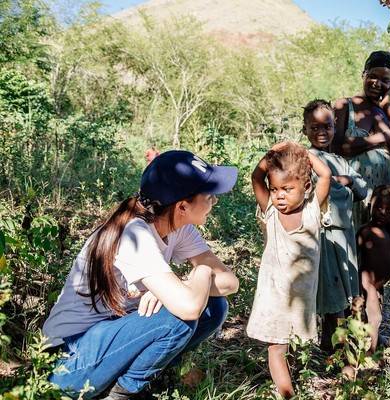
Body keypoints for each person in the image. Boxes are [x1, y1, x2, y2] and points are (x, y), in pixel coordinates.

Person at [43, 150, 240, 399]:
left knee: (215, 306)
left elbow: (229, 282)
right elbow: (188, 307)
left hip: (109, 342)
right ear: (182, 206)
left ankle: (141, 379)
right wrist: (200, 271)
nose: (215, 201)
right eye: (209, 195)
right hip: (65, 362)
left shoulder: (178, 226)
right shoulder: (134, 233)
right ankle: (122, 394)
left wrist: (182, 283)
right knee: (178, 317)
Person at [246, 141, 331, 398]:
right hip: (273, 298)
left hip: (301, 300)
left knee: (293, 344)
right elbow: (256, 176)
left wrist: (303, 153)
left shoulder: (313, 211)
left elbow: (325, 174)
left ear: (306, 188)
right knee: (277, 349)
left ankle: (290, 379)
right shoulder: (270, 211)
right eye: (274, 190)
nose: (279, 195)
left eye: (287, 189)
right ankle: (287, 394)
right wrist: (272, 154)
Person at [302, 99, 368, 353]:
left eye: (327, 126)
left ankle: (342, 346)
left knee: (347, 293)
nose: (321, 132)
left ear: (335, 126)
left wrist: (346, 180)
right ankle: (334, 350)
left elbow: (362, 188)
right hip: (322, 235)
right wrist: (340, 185)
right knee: (331, 295)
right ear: (305, 129)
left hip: (345, 237)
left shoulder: (340, 161)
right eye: (314, 127)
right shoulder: (304, 159)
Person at [332, 50, 390, 227]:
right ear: (363, 74)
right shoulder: (344, 106)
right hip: (350, 198)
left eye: (385, 80)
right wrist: (381, 138)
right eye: (372, 76)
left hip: (383, 206)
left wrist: (386, 109)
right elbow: (337, 147)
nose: (377, 83)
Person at [356, 185, 390, 353]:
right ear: (371, 206)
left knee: (374, 315)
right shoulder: (366, 231)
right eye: (379, 207)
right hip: (368, 283)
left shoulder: (387, 232)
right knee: (375, 317)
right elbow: (356, 254)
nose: (383, 212)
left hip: (379, 284)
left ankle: (374, 342)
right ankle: (371, 350)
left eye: (389, 210)